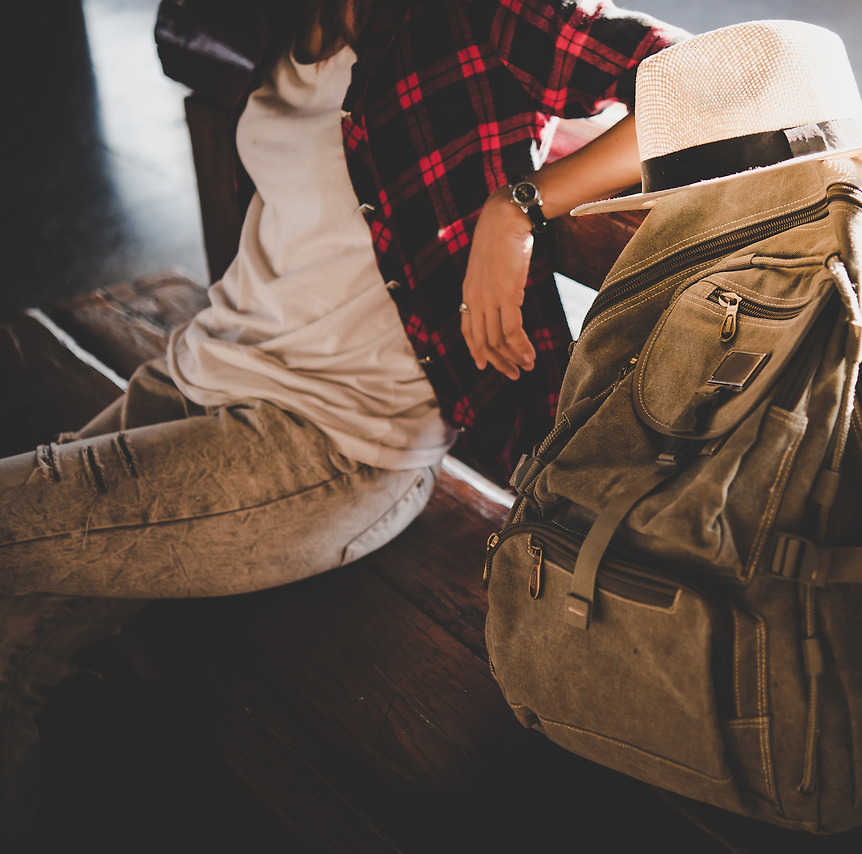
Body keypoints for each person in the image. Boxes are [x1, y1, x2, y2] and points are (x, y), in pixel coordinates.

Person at [0, 0, 682, 845]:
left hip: (333, 443)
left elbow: (731, 79)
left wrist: (519, 206)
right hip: (200, 372)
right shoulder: (290, 21)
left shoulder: (478, 15)